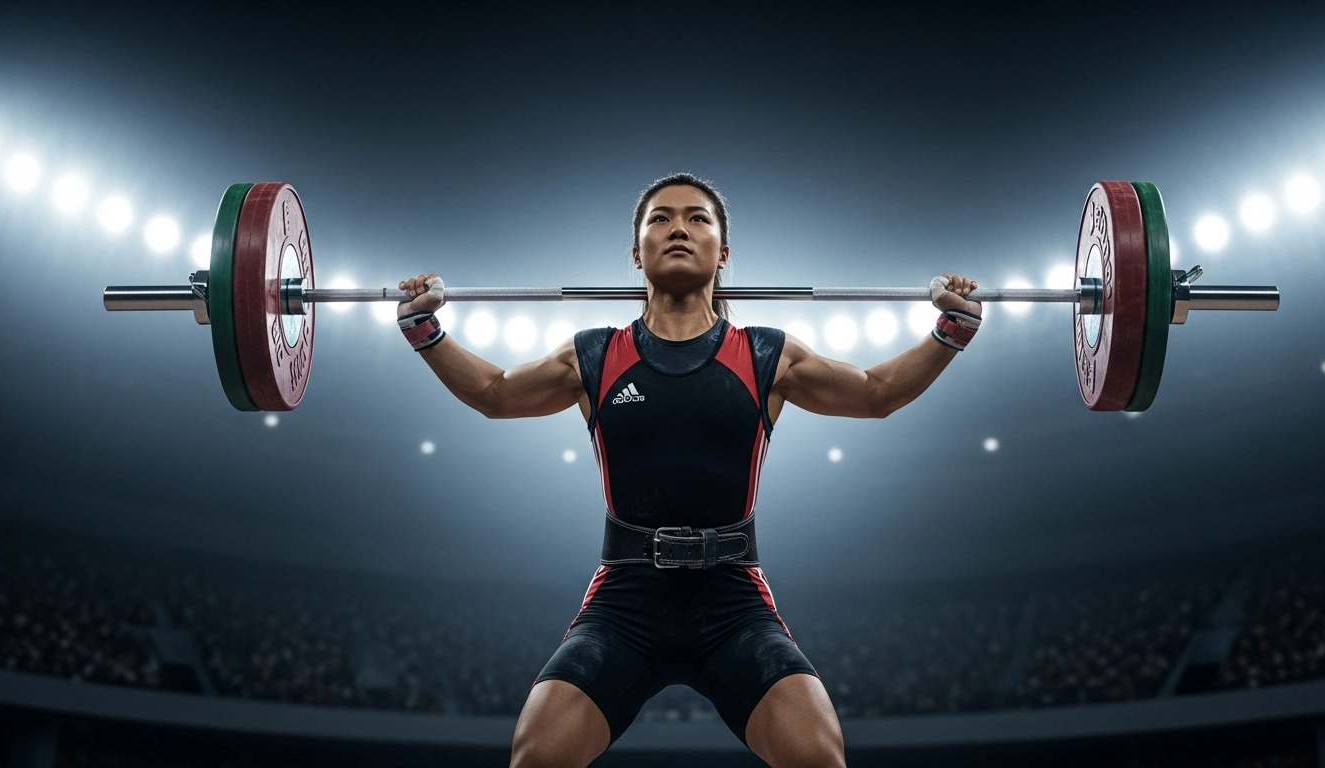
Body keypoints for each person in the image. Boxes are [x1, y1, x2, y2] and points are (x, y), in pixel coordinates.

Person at [395, 173, 981, 768]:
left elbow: (875, 392)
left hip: (732, 602)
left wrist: (949, 332)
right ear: (636, 252)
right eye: (661, 218)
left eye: (698, 218)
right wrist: (426, 331)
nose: (678, 227)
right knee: (536, 757)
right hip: (626, 600)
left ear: (723, 253)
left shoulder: (765, 354)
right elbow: (495, 393)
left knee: (819, 756)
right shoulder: (593, 355)